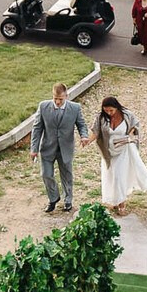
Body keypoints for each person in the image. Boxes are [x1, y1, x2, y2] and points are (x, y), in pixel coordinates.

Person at [94, 96, 147, 216]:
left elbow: (135, 126)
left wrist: (130, 135)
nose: (109, 113)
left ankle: (121, 203)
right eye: (106, 110)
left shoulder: (126, 115)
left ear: (116, 107)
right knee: (110, 176)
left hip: (124, 150)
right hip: (109, 152)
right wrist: (87, 140)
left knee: (119, 176)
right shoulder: (101, 117)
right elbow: (96, 131)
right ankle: (113, 200)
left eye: (111, 110)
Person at [29, 82, 90, 214]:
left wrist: (84, 136)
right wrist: (34, 149)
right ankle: (53, 198)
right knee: (46, 174)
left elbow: (81, 124)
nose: (57, 101)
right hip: (47, 147)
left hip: (65, 148)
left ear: (66, 96)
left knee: (67, 175)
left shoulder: (75, 108)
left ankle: (68, 200)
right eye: (55, 98)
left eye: (60, 99)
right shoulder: (43, 106)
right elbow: (37, 128)